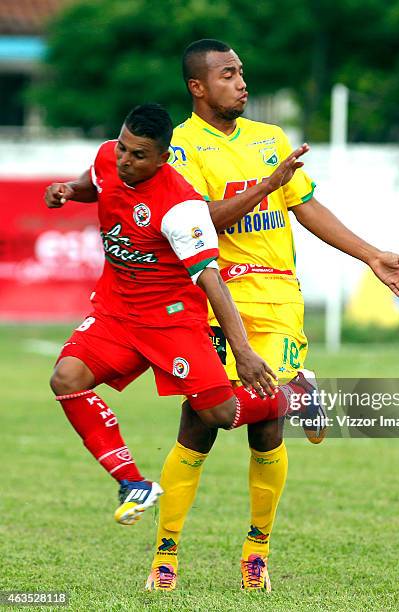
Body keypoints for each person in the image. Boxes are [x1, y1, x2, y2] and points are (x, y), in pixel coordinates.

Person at [146, 40, 399, 592]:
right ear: (198, 87)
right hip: (218, 301)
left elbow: (307, 205)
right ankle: (166, 553)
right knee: (204, 423)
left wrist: (371, 255)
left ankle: (256, 553)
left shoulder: (271, 139)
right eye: (227, 75)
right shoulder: (181, 149)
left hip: (279, 303)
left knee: (266, 426)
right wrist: (267, 186)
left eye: (242, 72)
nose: (242, 82)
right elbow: (199, 221)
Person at [44, 103, 317, 529]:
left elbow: (213, 282)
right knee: (66, 378)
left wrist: (243, 351)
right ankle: (132, 483)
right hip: (117, 314)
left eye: (138, 155)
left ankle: (295, 395)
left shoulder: (182, 210)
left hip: (172, 322)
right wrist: (66, 189)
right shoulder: (108, 159)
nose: (124, 160)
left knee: (220, 416)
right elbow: (93, 183)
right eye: (122, 147)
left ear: (163, 158)